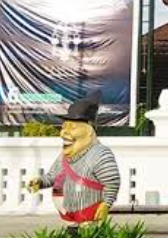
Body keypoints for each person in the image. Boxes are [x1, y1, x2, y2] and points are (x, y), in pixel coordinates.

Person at [27, 91, 120, 224]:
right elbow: (53, 175)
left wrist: (106, 203)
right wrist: (40, 182)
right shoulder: (65, 155)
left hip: (90, 214)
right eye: (64, 127)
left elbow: (112, 182)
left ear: (89, 132)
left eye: (72, 128)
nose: (64, 133)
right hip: (67, 216)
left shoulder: (100, 154)